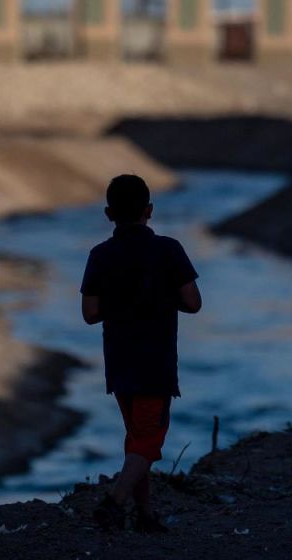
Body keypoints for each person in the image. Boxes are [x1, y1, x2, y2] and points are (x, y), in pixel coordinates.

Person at [80, 174, 202, 533]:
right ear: (149, 210)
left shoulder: (100, 255)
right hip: (156, 363)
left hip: (119, 362)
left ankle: (145, 516)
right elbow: (193, 303)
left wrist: (119, 304)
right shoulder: (169, 249)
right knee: (147, 443)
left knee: (136, 440)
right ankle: (114, 503)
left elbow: (89, 313)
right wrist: (161, 298)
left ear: (108, 214)